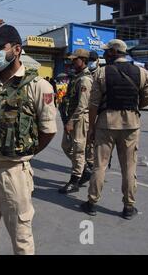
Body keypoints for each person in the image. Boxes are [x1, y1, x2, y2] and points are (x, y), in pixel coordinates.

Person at [0, 25, 57, 255]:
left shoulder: (39, 86)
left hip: (14, 173)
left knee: (21, 238)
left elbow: (48, 131)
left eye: (0, 48)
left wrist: (25, 153)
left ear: (17, 50)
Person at [81, 39, 148, 219]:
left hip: (106, 123)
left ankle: (92, 203)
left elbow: (94, 104)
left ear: (113, 52)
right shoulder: (142, 73)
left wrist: (91, 128)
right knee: (129, 167)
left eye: (107, 51)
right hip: (131, 125)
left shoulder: (101, 73)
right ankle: (128, 207)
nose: (104, 54)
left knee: (100, 165)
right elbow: (146, 100)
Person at [59, 49, 93, 194]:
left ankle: (75, 180)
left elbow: (83, 105)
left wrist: (71, 121)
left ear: (83, 60)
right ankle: (84, 168)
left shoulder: (85, 79)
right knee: (66, 146)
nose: (72, 62)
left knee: (78, 149)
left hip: (79, 119)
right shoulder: (76, 77)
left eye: (75, 59)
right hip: (72, 118)